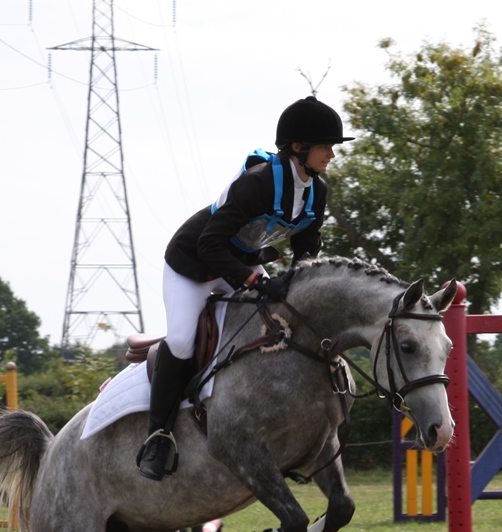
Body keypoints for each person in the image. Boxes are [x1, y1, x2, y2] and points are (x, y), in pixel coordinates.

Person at [136, 96, 354, 481]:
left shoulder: (316, 190)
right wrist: (255, 280)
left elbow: (306, 244)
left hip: (240, 258)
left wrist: (297, 279)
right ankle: (159, 436)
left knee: (282, 321)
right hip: (192, 263)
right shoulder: (258, 182)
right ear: (298, 147)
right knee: (183, 341)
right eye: (325, 146)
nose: (332, 154)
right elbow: (210, 244)